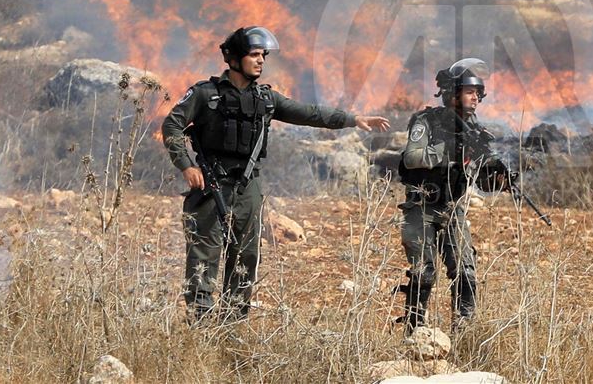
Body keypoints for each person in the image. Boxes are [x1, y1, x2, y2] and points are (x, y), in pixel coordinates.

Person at [162, 26, 389, 323]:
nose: (260, 61)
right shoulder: (206, 94)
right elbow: (172, 126)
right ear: (235, 59)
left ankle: (232, 325)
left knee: (245, 256)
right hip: (210, 184)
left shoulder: (266, 99)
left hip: (247, 187)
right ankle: (201, 327)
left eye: (263, 55)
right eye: (254, 55)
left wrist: (352, 119)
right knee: (204, 256)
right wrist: (186, 165)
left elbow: (309, 113)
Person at [396, 58, 508, 333]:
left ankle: (464, 333)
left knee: (466, 271)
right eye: (471, 92)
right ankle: (415, 332)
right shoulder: (428, 121)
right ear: (453, 93)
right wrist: (447, 147)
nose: (476, 98)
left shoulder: (475, 130)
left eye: (479, 93)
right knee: (424, 272)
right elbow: (411, 159)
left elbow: (480, 177)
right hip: (422, 206)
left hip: (454, 208)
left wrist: (497, 177)